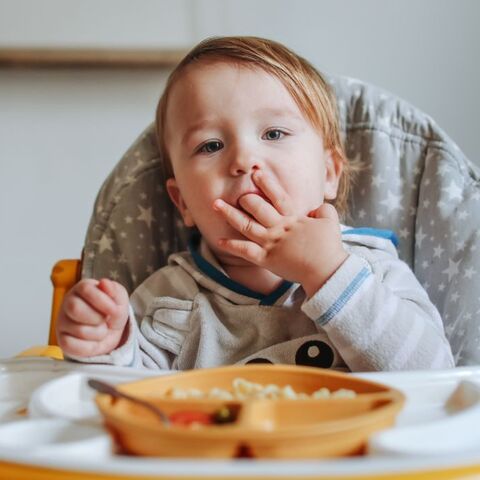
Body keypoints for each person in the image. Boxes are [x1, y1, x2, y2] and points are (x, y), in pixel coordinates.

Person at [56, 36, 455, 371]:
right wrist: (105, 344)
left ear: (330, 173)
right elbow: (120, 402)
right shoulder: (169, 298)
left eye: (275, 133)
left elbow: (435, 375)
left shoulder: (373, 270)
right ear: (183, 204)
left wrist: (329, 274)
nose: (244, 159)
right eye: (211, 145)